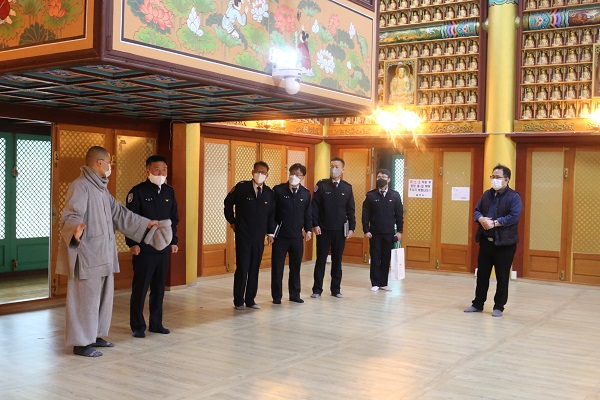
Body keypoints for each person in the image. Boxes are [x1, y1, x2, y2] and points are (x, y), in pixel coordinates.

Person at [56, 146, 159, 357]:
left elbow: (120, 214)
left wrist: (145, 224)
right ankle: (81, 343)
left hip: (103, 254)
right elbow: (70, 216)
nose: (111, 166)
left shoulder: (102, 190)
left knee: (103, 299)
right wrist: (75, 228)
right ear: (99, 163)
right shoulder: (81, 186)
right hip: (87, 255)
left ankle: (95, 335)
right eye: (109, 162)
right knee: (84, 301)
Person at [126, 155, 179, 338]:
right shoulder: (137, 192)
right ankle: (137, 326)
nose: (161, 173)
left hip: (163, 248)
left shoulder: (169, 192)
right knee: (140, 288)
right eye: (157, 169)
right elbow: (129, 220)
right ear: (148, 170)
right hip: (144, 248)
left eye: (164, 169)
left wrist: (174, 241)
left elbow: (174, 219)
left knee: (158, 288)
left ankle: (156, 323)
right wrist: (133, 243)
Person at [464, 164, 522, 317]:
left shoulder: (514, 197)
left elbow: (514, 216)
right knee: (482, 275)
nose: (494, 180)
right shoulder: (486, 195)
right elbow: (477, 210)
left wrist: (495, 223)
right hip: (486, 241)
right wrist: (481, 219)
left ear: (506, 180)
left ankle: (499, 306)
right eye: (492, 177)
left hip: (505, 244)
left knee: (502, 276)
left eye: (498, 177)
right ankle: (477, 304)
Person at [224, 161, 275, 310]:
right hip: (243, 235)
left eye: (263, 172)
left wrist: (270, 232)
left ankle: (250, 299)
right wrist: (232, 221)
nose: (260, 174)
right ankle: (238, 300)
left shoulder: (269, 193)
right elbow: (228, 203)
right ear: (252, 172)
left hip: (259, 237)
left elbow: (271, 215)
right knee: (243, 267)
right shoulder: (242, 188)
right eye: (258, 171)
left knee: (254, 268)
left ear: (267, 175)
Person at [311, 157, 356, 299]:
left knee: (337, 261)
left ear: (343, 170)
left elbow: (351, 210)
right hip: (323, 229)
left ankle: (336, 289)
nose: (333, 169)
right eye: (331, 166)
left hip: (340, 230)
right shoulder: (322, 185)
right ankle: (317, 289)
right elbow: (314, 207)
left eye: (337, 167)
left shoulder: (347, 187)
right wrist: (315, 224)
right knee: (321, 260)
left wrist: (352, 228)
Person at [271, 163, 312, 304]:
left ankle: (295, 294)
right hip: (280, 237)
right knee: (277, 268)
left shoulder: (305, 193)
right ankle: (276, 296)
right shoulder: (278, 190)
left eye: (297, 174)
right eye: (292, 173)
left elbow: (307, 213)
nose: (294, 176)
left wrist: (308, 230)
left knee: (295, 267)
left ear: (302, 177)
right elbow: (272, 213)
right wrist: (271, 232)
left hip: (296, 237)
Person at [362, 169, 403, 292]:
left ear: (388, 179)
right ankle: (375, 283)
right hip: (374, 232)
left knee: (386, 258)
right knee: (375, 257)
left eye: (384, 177)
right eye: (379, 176)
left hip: (389, 233)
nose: (381, 179)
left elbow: (399, 215)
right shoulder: (370, 195)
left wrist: (399, 231)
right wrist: (366, 229)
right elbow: (365, 214)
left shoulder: (395, 195)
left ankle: (383, 283)